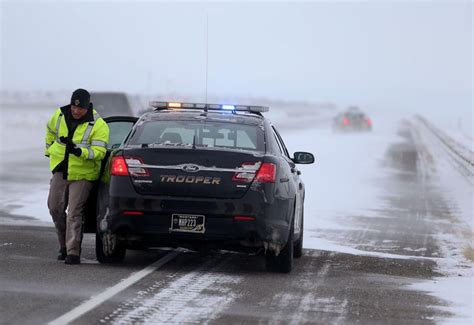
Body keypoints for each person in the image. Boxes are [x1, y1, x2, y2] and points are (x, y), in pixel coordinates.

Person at [45, 89, 109, 264]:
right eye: (74, 106)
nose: (76, 111)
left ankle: (73, 252)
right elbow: (50, 131)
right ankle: (64, 246)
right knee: (54, 208)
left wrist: (79, 151)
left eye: (80, 108)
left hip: (83, 174)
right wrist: (49, 150)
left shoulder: (99, 124)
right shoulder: (59, 115)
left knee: (74, 212)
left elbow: (100, 152)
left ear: (87, 106)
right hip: (61, 169)